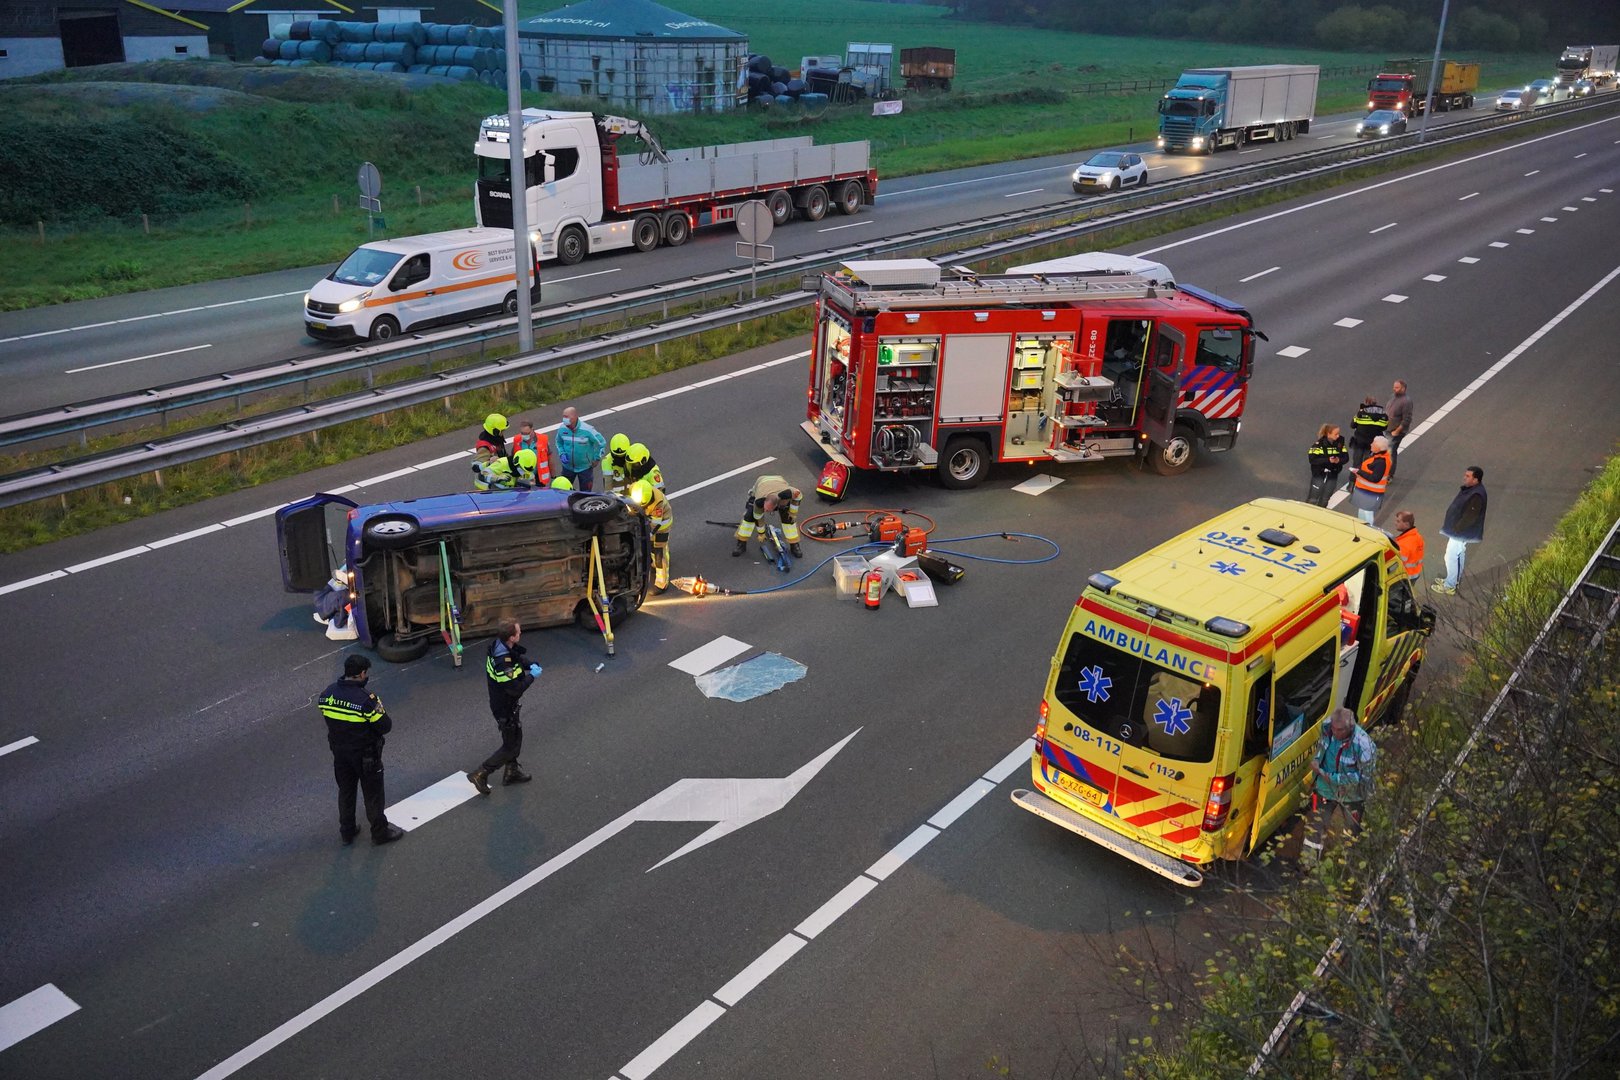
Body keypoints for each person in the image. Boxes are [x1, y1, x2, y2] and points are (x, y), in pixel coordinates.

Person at [317, 655, 404, 846]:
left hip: (340, 754)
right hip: (365, 755)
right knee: (373, 795)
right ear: (362, 673)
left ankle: (347, 831)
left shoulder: (327, 694)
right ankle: (379, 833)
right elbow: (385, 726)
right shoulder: (366, 700)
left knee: (346, 791)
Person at [466, 621, 539, 794]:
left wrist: (530, 664)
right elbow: (515, 689)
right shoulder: (502, 662)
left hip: (506, 704)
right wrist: (532, 676)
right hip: (504, 707)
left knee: (515, 737)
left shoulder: (500, 646)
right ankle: (481, 773)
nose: (521, 633)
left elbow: (516, 657)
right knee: (511, 745)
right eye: (518, 632)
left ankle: (511, 772)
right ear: (511, 637)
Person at [1303, 707, 1376, 865]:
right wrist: (1317, 759)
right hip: (1325, 789)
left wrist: (1332, 778)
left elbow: (1364, 777)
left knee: (1351, 830)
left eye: (1340, 730)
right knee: (1315, 824)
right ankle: (1308, 863)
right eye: (1333, 728)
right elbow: (1322, 745)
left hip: (1352, 795)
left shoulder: (1364, 746)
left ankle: (1347, 866)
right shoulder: (1327, 727)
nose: (1335, 732)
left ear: (1351, 727)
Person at [1433, 466, 1487, 596]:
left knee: (1451, 557)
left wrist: (1457, 528)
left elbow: (1470, 516)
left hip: (1461, 532)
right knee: (1458, 554)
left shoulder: (1476, 494)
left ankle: (1450, 585)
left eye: (1468, 476)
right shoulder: (1472, 490)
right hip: (1461, 531)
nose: (1464, 478)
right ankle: (1453, 580)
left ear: (1476, 479)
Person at [735, 475, 804, 558]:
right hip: (761, 483)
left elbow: (798, 497)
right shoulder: (759, 501)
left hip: (779, 482)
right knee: (749, 518)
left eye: (768, 510)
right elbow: (758, 518)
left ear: (776, 505)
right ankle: (741, 544)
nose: (765, 511)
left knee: (789, 519)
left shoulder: (788, 493)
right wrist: (761, 533)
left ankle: (794, 545)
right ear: (764, 502)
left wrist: (792, 513)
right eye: (765, 509)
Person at [630, 479, 673, 591]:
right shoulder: (635, 489)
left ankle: (662, 583)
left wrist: (647, 535)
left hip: (662, 526)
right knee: (650, 547)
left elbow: (655, 524)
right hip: (649, 521)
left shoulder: (657, 502)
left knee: (659, 553)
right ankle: (654, 563)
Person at [554, 406, 607, 491]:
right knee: (563, 492)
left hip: (585, 468)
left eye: (566, 417)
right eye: (563, 416)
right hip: (567, 468)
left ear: (575, 417)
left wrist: (597, 458)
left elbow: (602, 443)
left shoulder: (587, 430)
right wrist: (562, 453)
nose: (564, 419)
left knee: (585, 494)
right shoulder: (562, 429)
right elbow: (558, 442)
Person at [1351, 435, 1392, 525]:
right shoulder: (1378, 457)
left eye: (1373, 443)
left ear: (1379, 448)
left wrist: (1359, 472)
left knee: (1367, 513)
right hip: (1366, 491)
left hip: (1371, 492)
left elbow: (1375, 478)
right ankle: (1362, 528)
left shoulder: (1381, 462)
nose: (1371, 444)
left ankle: (1369, 530)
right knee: (1363, 512)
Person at [312, 566, 358, 641]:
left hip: (327, 600)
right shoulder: (337, 598)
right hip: (328, 601)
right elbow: (339, 622)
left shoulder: (327, 597)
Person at [1306, 423, 1347, 507]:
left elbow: (1346, 458)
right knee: (1313, 498)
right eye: (1336, 434)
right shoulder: (1318, 445)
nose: (1338, 436)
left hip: (1333, 474)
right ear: (1329, 434)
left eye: (1338, 433)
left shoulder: (1340, 444)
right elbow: (1312, 460)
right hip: (1319, 474)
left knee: (1325, 499)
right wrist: (1328, 460)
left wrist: (1338, 460)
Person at [1348, 396, 1389, 476]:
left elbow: (1352, 425)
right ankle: (1364, 478)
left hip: (1359, 442)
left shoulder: (1360, 414)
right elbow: (1384, 427)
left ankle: (1352, 481)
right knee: (1367, 463)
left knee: (1356, 462)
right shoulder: (1384, 416)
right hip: (1372, 444)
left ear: (1366, 403)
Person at [1386, 380, 1413, 480]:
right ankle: (1385, 472)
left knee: (1391, 452)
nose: (1394, 389)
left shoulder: (1406, 401)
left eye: (1397, 387)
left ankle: (1389, 475)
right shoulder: (1393, 397)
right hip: (1387, 429)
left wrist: (1397, 431)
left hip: (1395, 431)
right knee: (1385, 451)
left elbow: (1407, 419)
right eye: (1394, 387)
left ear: (1403, 388)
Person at [1391, 509, 1424, 580]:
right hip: (1415, 572)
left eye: (1398, 521)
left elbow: (1396, 561)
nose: (1395, 523)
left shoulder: (1404, 544)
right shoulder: (1417, 536)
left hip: (1406, 576)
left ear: (1406, 524)